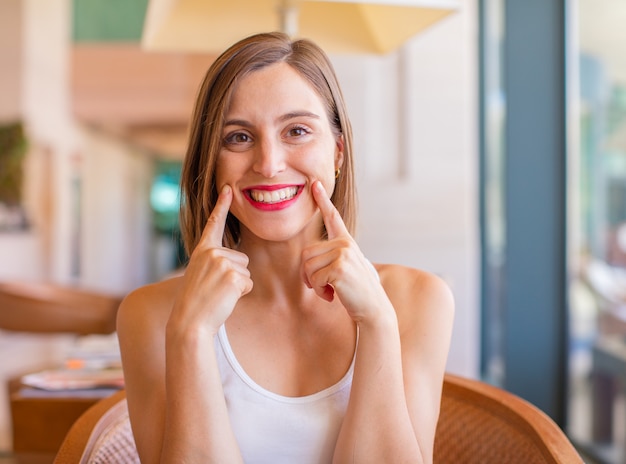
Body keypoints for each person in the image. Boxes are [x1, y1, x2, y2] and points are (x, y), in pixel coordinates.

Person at [117, 31, 454, 464]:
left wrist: (376, 323)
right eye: (238, 137)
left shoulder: (418, 301)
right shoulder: (151, 315)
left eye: (296, 130)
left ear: (338, 151)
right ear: (211, 160)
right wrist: (192, 335)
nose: (269, 163)